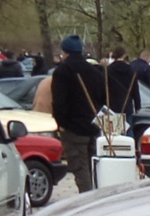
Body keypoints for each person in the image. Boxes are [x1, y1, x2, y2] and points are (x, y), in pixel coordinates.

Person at [50, 35, 106, 193]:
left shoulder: (63, 71)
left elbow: (59, 102)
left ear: (65, 51)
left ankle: (88, 202)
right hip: (94, 126)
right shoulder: (94, 71)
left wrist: (62, 123)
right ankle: (97, 195)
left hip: (74, 128)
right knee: (92, 166)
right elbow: (103, 99)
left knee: (80, 168)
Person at [105, 46, 139, 115]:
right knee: (127, 125)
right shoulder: (131, 70)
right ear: (124, 55)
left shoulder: (108, 70)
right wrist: (137, 106)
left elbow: (103, 88)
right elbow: (135, 89)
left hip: (112, 106)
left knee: (113, 125)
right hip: (127, 105)